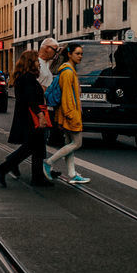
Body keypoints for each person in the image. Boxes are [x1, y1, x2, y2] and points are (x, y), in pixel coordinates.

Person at [0, 50, 53, 188]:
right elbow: (31, 99)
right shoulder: (28, 78)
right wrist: (40, 116)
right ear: (31, 62)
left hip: (27, 117)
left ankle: (36, 177)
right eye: (37, 61)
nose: (39, 63)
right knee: (32, 147)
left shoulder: (25, 77)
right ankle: (4, 168)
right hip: (31, 118)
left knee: (36, 148)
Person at [46, 42, 89, 185]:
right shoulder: (68, 72)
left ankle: (72, 174)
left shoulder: (69, 70)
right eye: (77, 53)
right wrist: (72, 115)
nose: (80, 56)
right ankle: (48, 162)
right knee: (77, 143)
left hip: (68, 114)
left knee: (69, 143)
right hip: (70, 114)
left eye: (81, 53)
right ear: (69, 54)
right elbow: (67, 97)